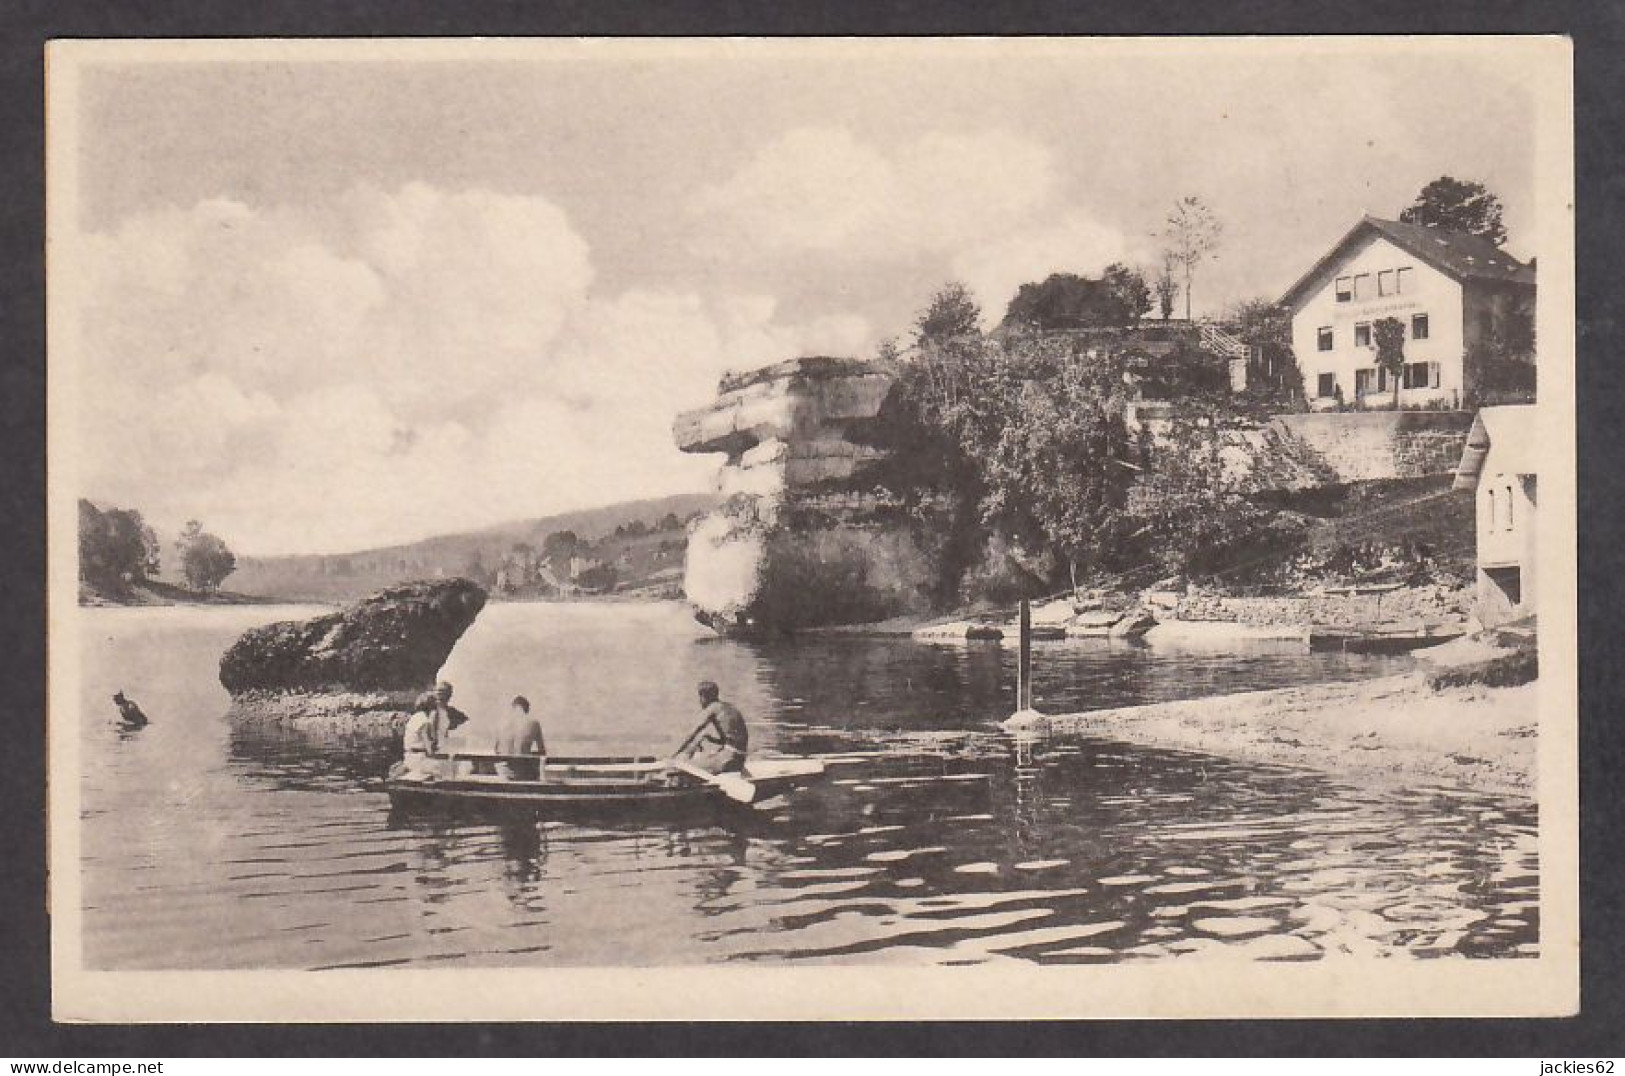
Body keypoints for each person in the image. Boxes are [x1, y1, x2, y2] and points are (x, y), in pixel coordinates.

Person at [684, 680, 749, 775]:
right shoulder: (729, 707)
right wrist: (710, 738)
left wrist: (675, 756)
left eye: (700, 697)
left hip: (728, 759)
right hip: (740, 759)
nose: (700, 701)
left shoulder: (712, 708)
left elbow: (692, 734)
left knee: (687, 766)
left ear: (704, 697)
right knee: (706, 755)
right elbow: (731, 740)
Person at [491, 695, 547, 780]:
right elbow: (542, 752)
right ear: (527, 709)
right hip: (523, 772)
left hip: (504, 773)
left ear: (513, 708)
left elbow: (496, 750)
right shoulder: (534, 723)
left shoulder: (501, 724)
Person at [398, 693, 440, 780]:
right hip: (419, 760)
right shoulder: (424, 721)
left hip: (409, 757)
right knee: (448, 769)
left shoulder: (414, 717)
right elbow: (429, 749)